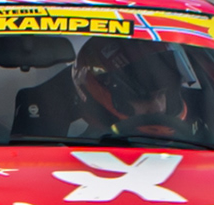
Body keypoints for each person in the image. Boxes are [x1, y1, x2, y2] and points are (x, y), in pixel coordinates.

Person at [12, 37, 195, 144]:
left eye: (162, 94)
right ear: (101, 88)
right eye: (143, 97)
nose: (158, 108)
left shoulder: (202, 134)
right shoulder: (63, 144)